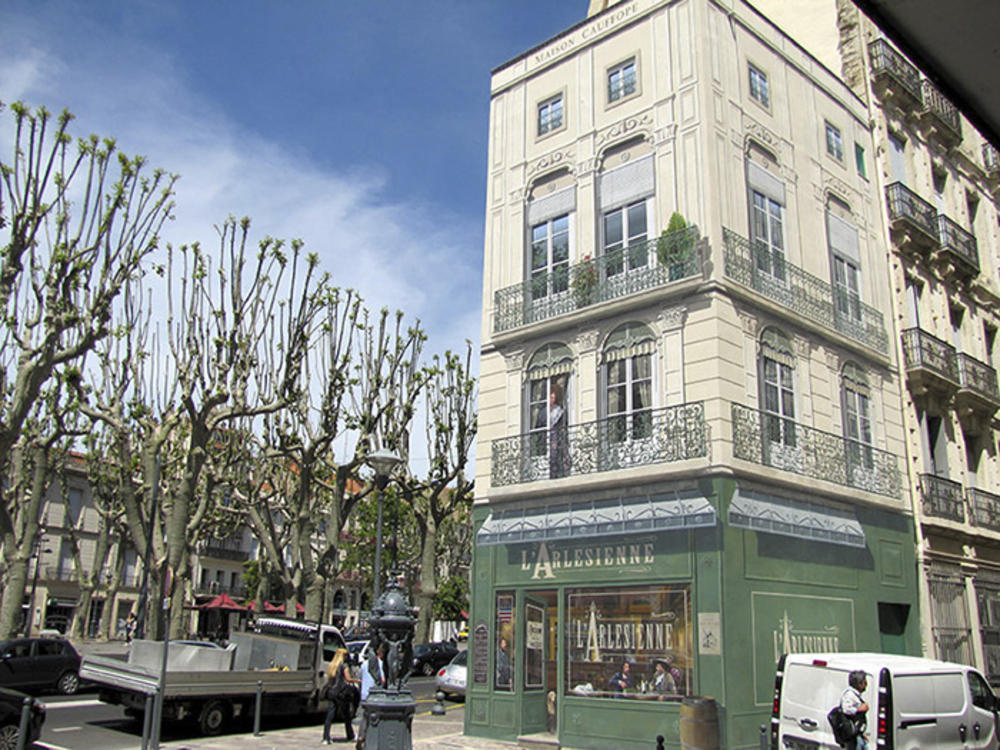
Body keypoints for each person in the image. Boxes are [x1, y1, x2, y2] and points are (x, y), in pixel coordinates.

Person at [322, 647, 359, 745]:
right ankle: (350, 735)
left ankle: (326, 737)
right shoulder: (344, 666)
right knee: (346, 714)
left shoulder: (332, 666)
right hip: (341, 693)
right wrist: (358, 681)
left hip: (331, 692)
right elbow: (348, 679)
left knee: (330, 714)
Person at [356, 641, 385, 750]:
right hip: (374, 694)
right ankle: (372, 738)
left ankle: (361, 737)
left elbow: (360, 679)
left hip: (364, 694)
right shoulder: (379, 664)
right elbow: (382, 680)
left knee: (365, 717)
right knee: (375, 718)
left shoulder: (364, 664)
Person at [840, 669, 870, 750]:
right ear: (859, 683)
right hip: (853, 737)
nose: (866, 684)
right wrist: (860, 709)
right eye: (865, 682)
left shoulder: (856, 695)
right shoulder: (849, 695)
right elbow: (846, 709)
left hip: (859, 734)